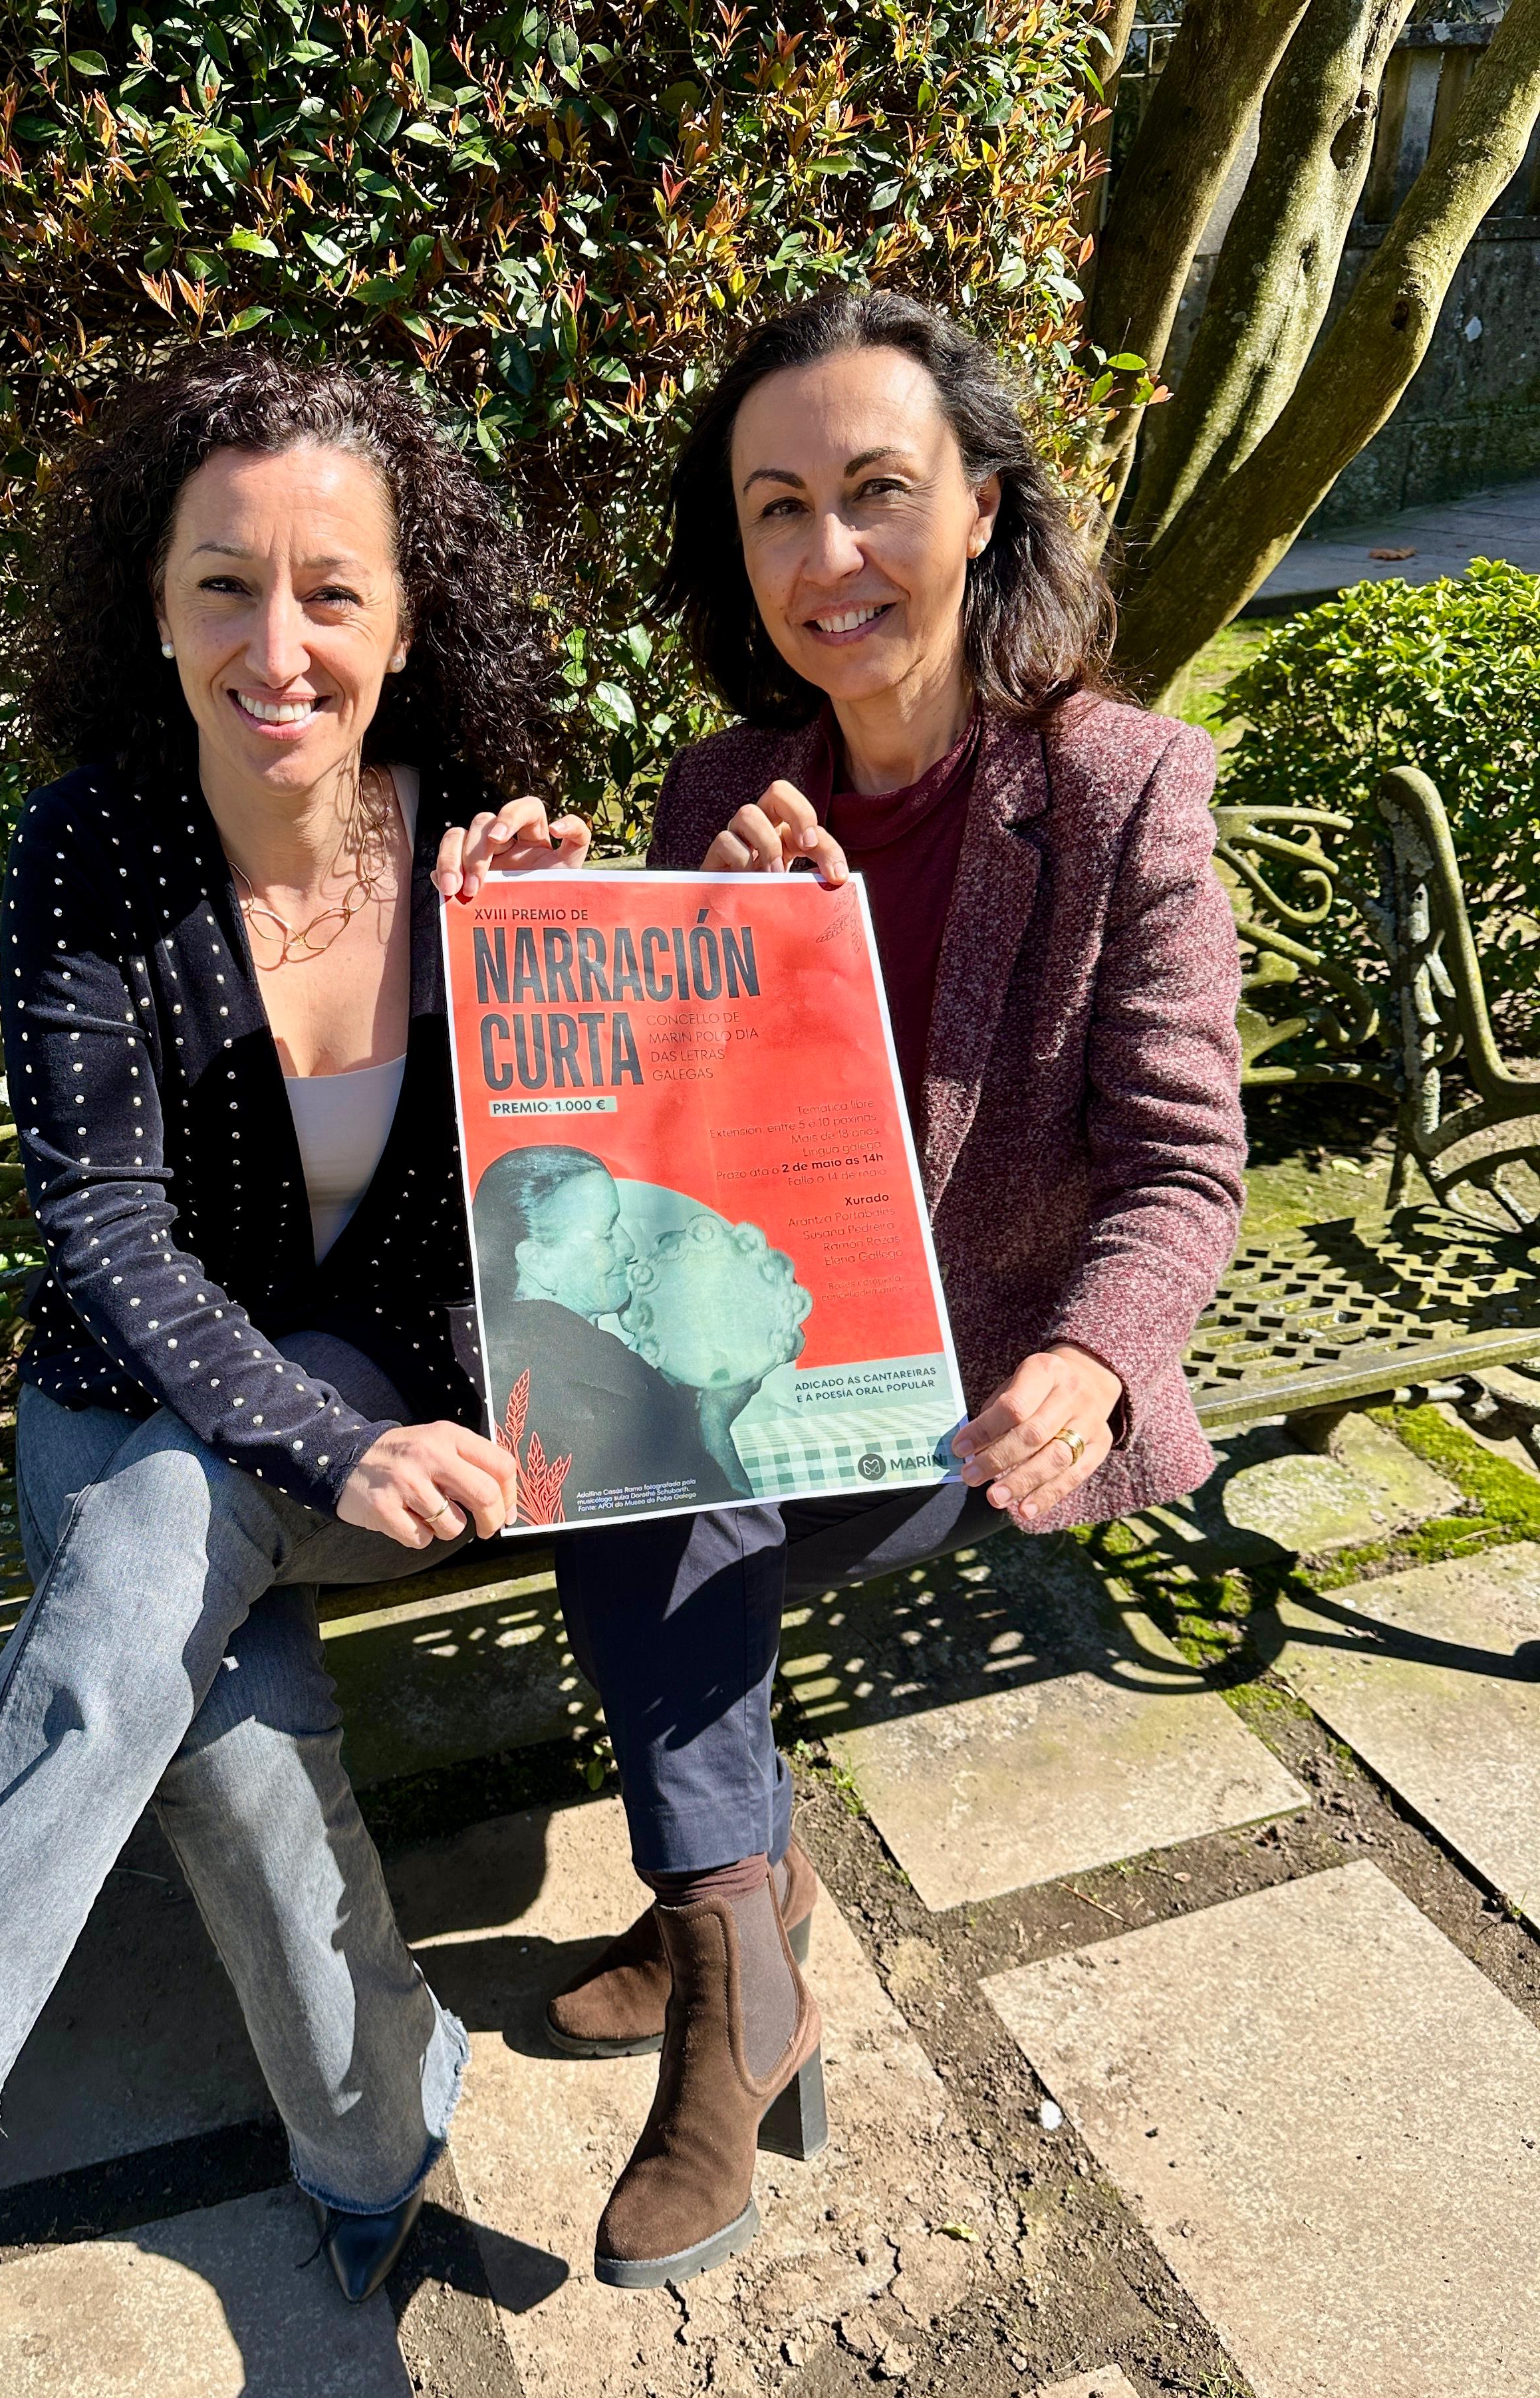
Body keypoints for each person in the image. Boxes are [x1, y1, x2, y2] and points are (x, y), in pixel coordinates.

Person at [0, 342, 589, 2304]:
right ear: (157, 609)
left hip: (394, 1416)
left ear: (407, 620)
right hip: (130, 1408)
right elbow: (106, 1228)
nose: (279, 645)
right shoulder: (88, 851)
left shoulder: (480, 845)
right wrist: (316, 1442)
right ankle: (376, 2150)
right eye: (225, 585)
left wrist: (543, 955)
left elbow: (579, 1174)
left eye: (332, 592)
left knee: (178, 1546)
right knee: (222, 1692)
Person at [487, 287, 1247, 2292]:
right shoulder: (720, 797)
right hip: (766, 1372)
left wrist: (1096, 1360)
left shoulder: (1117, 792)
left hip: (971, 1395)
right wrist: (619, 940)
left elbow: (1185, 1167)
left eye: (879, 492)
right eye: (779, 508)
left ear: (982, 506)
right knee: (620, 1450)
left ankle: (724, 1964)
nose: (831, 552)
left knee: (655, 1497)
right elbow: (666, 1171)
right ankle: (740, 1927)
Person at [472, 1144, 749, 1515]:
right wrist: (715, 1420)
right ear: (539, 1262)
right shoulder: (616, 1375)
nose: (629, 1246)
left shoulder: (491, 1351)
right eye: (606, 1233)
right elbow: (732, 1525)